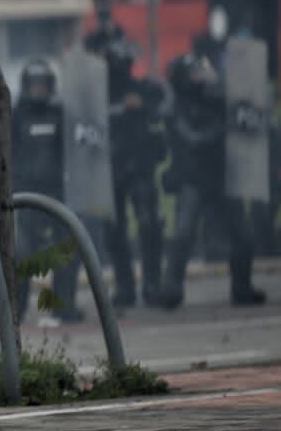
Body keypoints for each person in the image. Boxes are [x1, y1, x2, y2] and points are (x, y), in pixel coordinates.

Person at [158, 53, 265, 308]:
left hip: (221, 177)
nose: (201, 77)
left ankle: (242, 288)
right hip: (193, 179)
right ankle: (172, 289)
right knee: (183, 234)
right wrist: (223, 129)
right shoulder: (176, 107)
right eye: (195, 73)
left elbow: (246, 118)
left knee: (243, 235)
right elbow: (193, 138)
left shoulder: (215, 100)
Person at [10, 58, 82, 324]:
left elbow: (74, 151)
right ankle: (15, 312)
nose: (38, 90)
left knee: (65, 252)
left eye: (43, 85)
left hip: (58, 193)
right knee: (23, 252)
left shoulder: (62, 114)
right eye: (34, 85)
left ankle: (64, 307)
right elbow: (3, 153)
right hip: (27, 196)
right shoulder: (15, 115)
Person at [100, 38, 166, 308]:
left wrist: (143, 105)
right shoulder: (99, 94)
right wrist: (120, 109)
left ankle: (152, 283)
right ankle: (125, 286)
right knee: (115, 232)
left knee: (149, 225)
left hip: (140, 167)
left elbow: (163, 108)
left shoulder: (143, 89)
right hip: (111, 167)